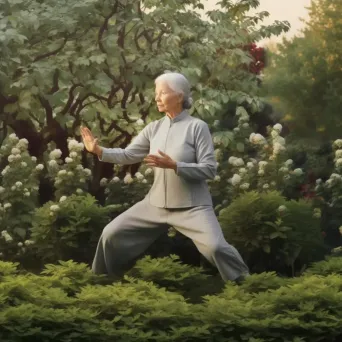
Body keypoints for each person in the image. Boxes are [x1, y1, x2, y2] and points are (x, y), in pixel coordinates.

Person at [80, 72, 249, 283]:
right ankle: (100, 284)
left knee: (216, 247)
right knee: (110, 234)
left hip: (192, 207)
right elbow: (128, 154)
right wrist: (98, 151)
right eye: (156, 93)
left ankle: (248, 287)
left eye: (162, 93)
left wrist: (175, 165)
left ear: (179, 96)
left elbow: (209, 169)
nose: (157, 98)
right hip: (155, 205)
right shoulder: (154, 128)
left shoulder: (197, 127)